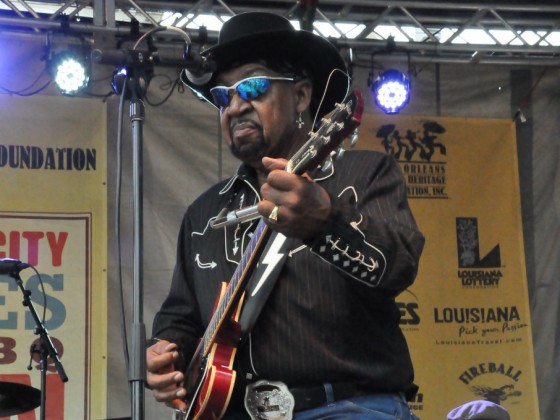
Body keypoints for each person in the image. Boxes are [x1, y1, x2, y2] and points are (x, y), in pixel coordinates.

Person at [146, 11, 425, 420]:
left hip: (347, 406)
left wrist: (326, 222)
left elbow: (399, 265)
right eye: (223, 97)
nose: (236, 106)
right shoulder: (204, 212)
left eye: (253, 86)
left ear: (301, 96)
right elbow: (181, 316)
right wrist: (167, 354)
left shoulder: (362, 173)